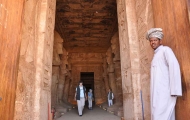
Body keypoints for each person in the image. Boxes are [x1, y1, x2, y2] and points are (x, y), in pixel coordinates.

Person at [146, 28, 182, 120]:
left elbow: (174, 67)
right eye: (151, 41)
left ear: (160, 41)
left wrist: (175, 90)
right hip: (157, 93)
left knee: (160, 115)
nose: (153, 42)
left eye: (155, 40)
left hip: (165, 92)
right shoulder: (155, 55)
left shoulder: (166, 50)